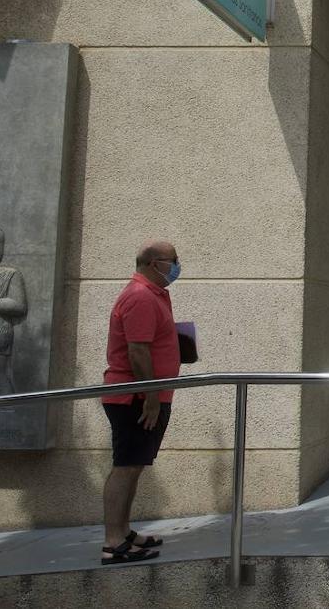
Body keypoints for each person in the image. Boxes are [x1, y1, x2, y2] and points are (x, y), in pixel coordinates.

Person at [100, 240, 183, 565]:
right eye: (173, 260)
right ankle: (113, 542)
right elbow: (137, 351)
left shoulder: (154, 294)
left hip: (147, 396)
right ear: (153, 263)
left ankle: (124, 531)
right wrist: (150, 397)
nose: (178, 265)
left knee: (134, 466)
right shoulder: (140, 296)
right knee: (125, 467)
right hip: (134, 398)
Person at [0, 226, 29, 396]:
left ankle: (8, 411)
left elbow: (18, 304)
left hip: (0, 331)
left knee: (0, 376)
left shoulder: (10, 274)